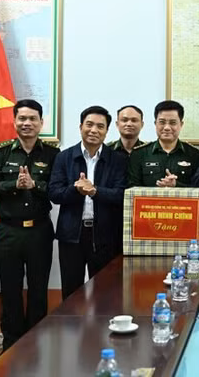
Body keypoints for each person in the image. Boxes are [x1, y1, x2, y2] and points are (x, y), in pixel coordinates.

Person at [0, 99, 59, 352]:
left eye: (32, 119)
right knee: (10, 289)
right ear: (14, 121)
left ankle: (36, 341)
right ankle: (12, 343)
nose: (27, 123)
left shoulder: (53, 154)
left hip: (39, 230)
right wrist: (14, 186)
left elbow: (57, 190)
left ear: (41, 123)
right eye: (22, 118)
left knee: (39, 288)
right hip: (9, 230)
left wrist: (35, 186)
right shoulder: (2, 152)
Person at [49, 106, 127, 299]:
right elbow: (54, 193)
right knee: (71, 291)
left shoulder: (117, 160)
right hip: (72, 235)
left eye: (100, 126)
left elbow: (121, 195)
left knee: (105, 292)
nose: (94, 130)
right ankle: (73, 329)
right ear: (80, 126)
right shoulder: (64, 157)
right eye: (89, 125)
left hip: (105, 236)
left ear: (107, 131)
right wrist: (75, 189)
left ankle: (102, 330)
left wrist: (95, 191)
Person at [128, 100, 199, 187]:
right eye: (162, 122)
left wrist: (177, 185)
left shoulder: (194, 154)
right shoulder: (139, 154)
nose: (167, 127)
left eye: (173, 123)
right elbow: (132, 189)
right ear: (155, 123)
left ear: (181, 124)